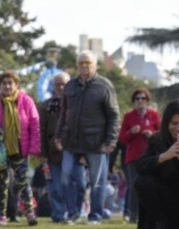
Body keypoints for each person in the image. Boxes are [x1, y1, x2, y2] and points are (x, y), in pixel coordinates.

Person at [55, 50, 119, 224]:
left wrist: (111, 140)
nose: (84, 66)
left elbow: (113, 116)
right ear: (77, 66)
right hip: (71, 141)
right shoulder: (70, 86)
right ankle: (73, 213)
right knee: (66, 176)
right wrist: (58, 135)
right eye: (81, 63)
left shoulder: (104, 86)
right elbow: (63, 113)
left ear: (95, 65)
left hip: (96, 142)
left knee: (97, 182)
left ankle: (95, 216)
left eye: (87, 63)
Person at [0, 70, 41, 226]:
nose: (7, 86)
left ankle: (30, 213)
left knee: (23, 182)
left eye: (10, 83)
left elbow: (34, 124)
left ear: (16, 85)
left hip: (21, 148)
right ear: (0, 85)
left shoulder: (26, 100)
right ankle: (2, 216)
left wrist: (35, 148)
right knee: (1, 183)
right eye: (4, 83)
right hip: (0, 148)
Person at [39, 72, 83, 223]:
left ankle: (74, 213)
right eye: (58, 84)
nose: (61, 87)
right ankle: (58, 216)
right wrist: (43, 154)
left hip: (74, 151)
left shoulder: (77, 104)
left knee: (78, 186)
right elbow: (42, 131)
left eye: (64, 84)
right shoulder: (46, 106)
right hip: (53, 154)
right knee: (55, 187)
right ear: (53, 86)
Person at [118, 87, 161, 223]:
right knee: (134, 187)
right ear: (133, 101)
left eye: (143, 98)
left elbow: (162, 135)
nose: (140, 101)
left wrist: (152, 134)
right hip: (133, 157)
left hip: (150, 156)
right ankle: (133, 217)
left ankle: (153, 215)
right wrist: (131, 132)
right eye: (137, 99)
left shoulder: (154, 115)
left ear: (147, 100)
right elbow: (122, 139)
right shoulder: (128, 116)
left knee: (152, 185)